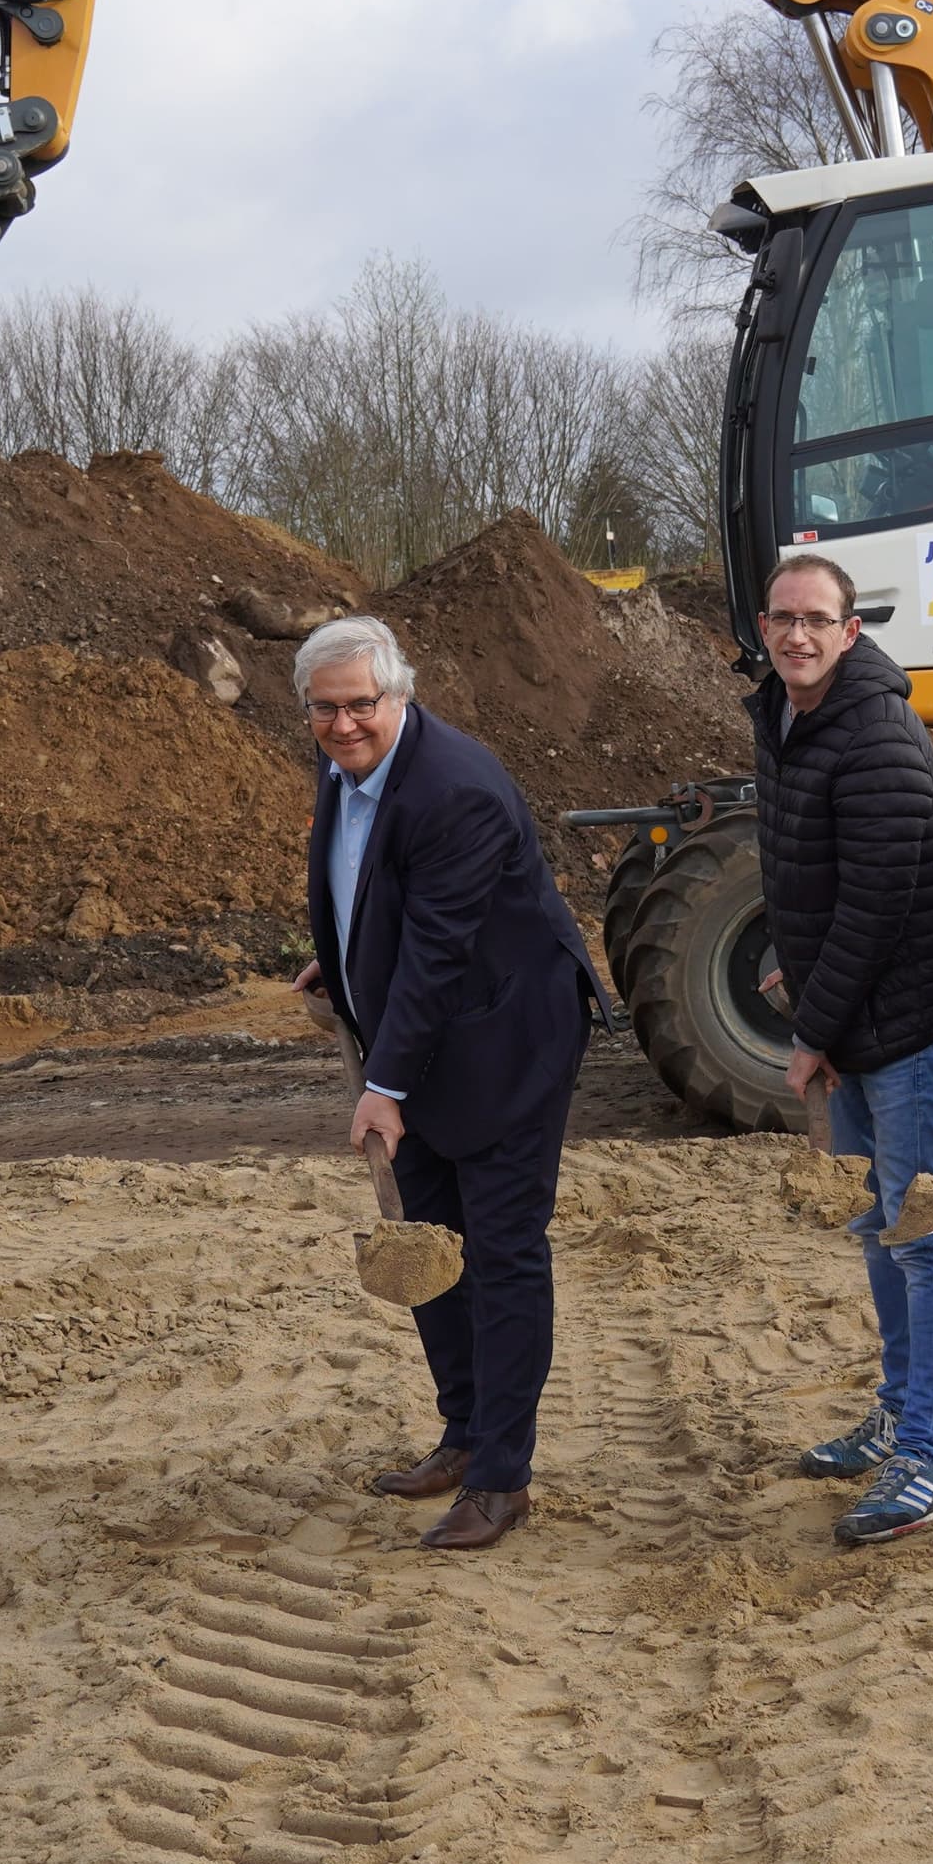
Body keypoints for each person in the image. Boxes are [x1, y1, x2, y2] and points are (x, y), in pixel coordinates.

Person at [291, 615, 600, 1553]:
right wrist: (340, 965)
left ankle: (504, 1481)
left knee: (502, 1254)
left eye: (361, 705)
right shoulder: (350, 768)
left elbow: (436, 951)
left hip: (505, 1039)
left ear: (401, 696)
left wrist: (382, 1086)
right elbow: (369, 891)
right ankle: (464, 1435)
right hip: (426, 1031)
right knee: (428, 1244)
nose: (344, 725)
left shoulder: (453, 789)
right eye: (325, 708)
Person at [751, 550, 933, 1545]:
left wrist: (813, 1032)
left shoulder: (878, 733)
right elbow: (811, 869)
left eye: (817, 619)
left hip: (905, 1020)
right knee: (873, 1223)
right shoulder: (788, 715)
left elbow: (880, 903)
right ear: (763, 628)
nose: (797, 635)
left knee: (920, 1230)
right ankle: (898, 1408)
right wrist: (788, 961)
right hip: (852, 1009)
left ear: (852, 630)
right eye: (782, 618)